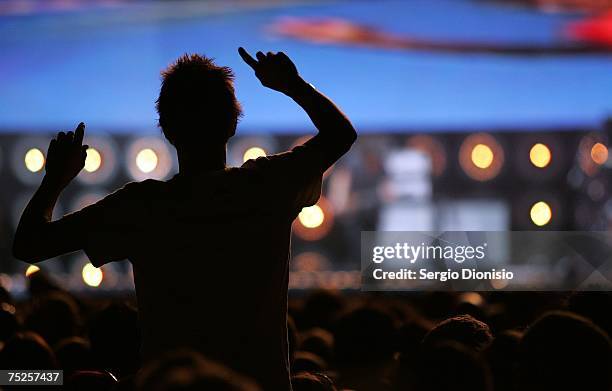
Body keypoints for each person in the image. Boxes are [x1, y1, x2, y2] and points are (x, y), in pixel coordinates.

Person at [12, 47, 356, 390]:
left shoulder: (141, 207)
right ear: (233, 123)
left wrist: (55, 179)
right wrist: (291, 84)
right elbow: (340, 134)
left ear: (166, 129)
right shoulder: (267, 186)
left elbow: (30, 244)